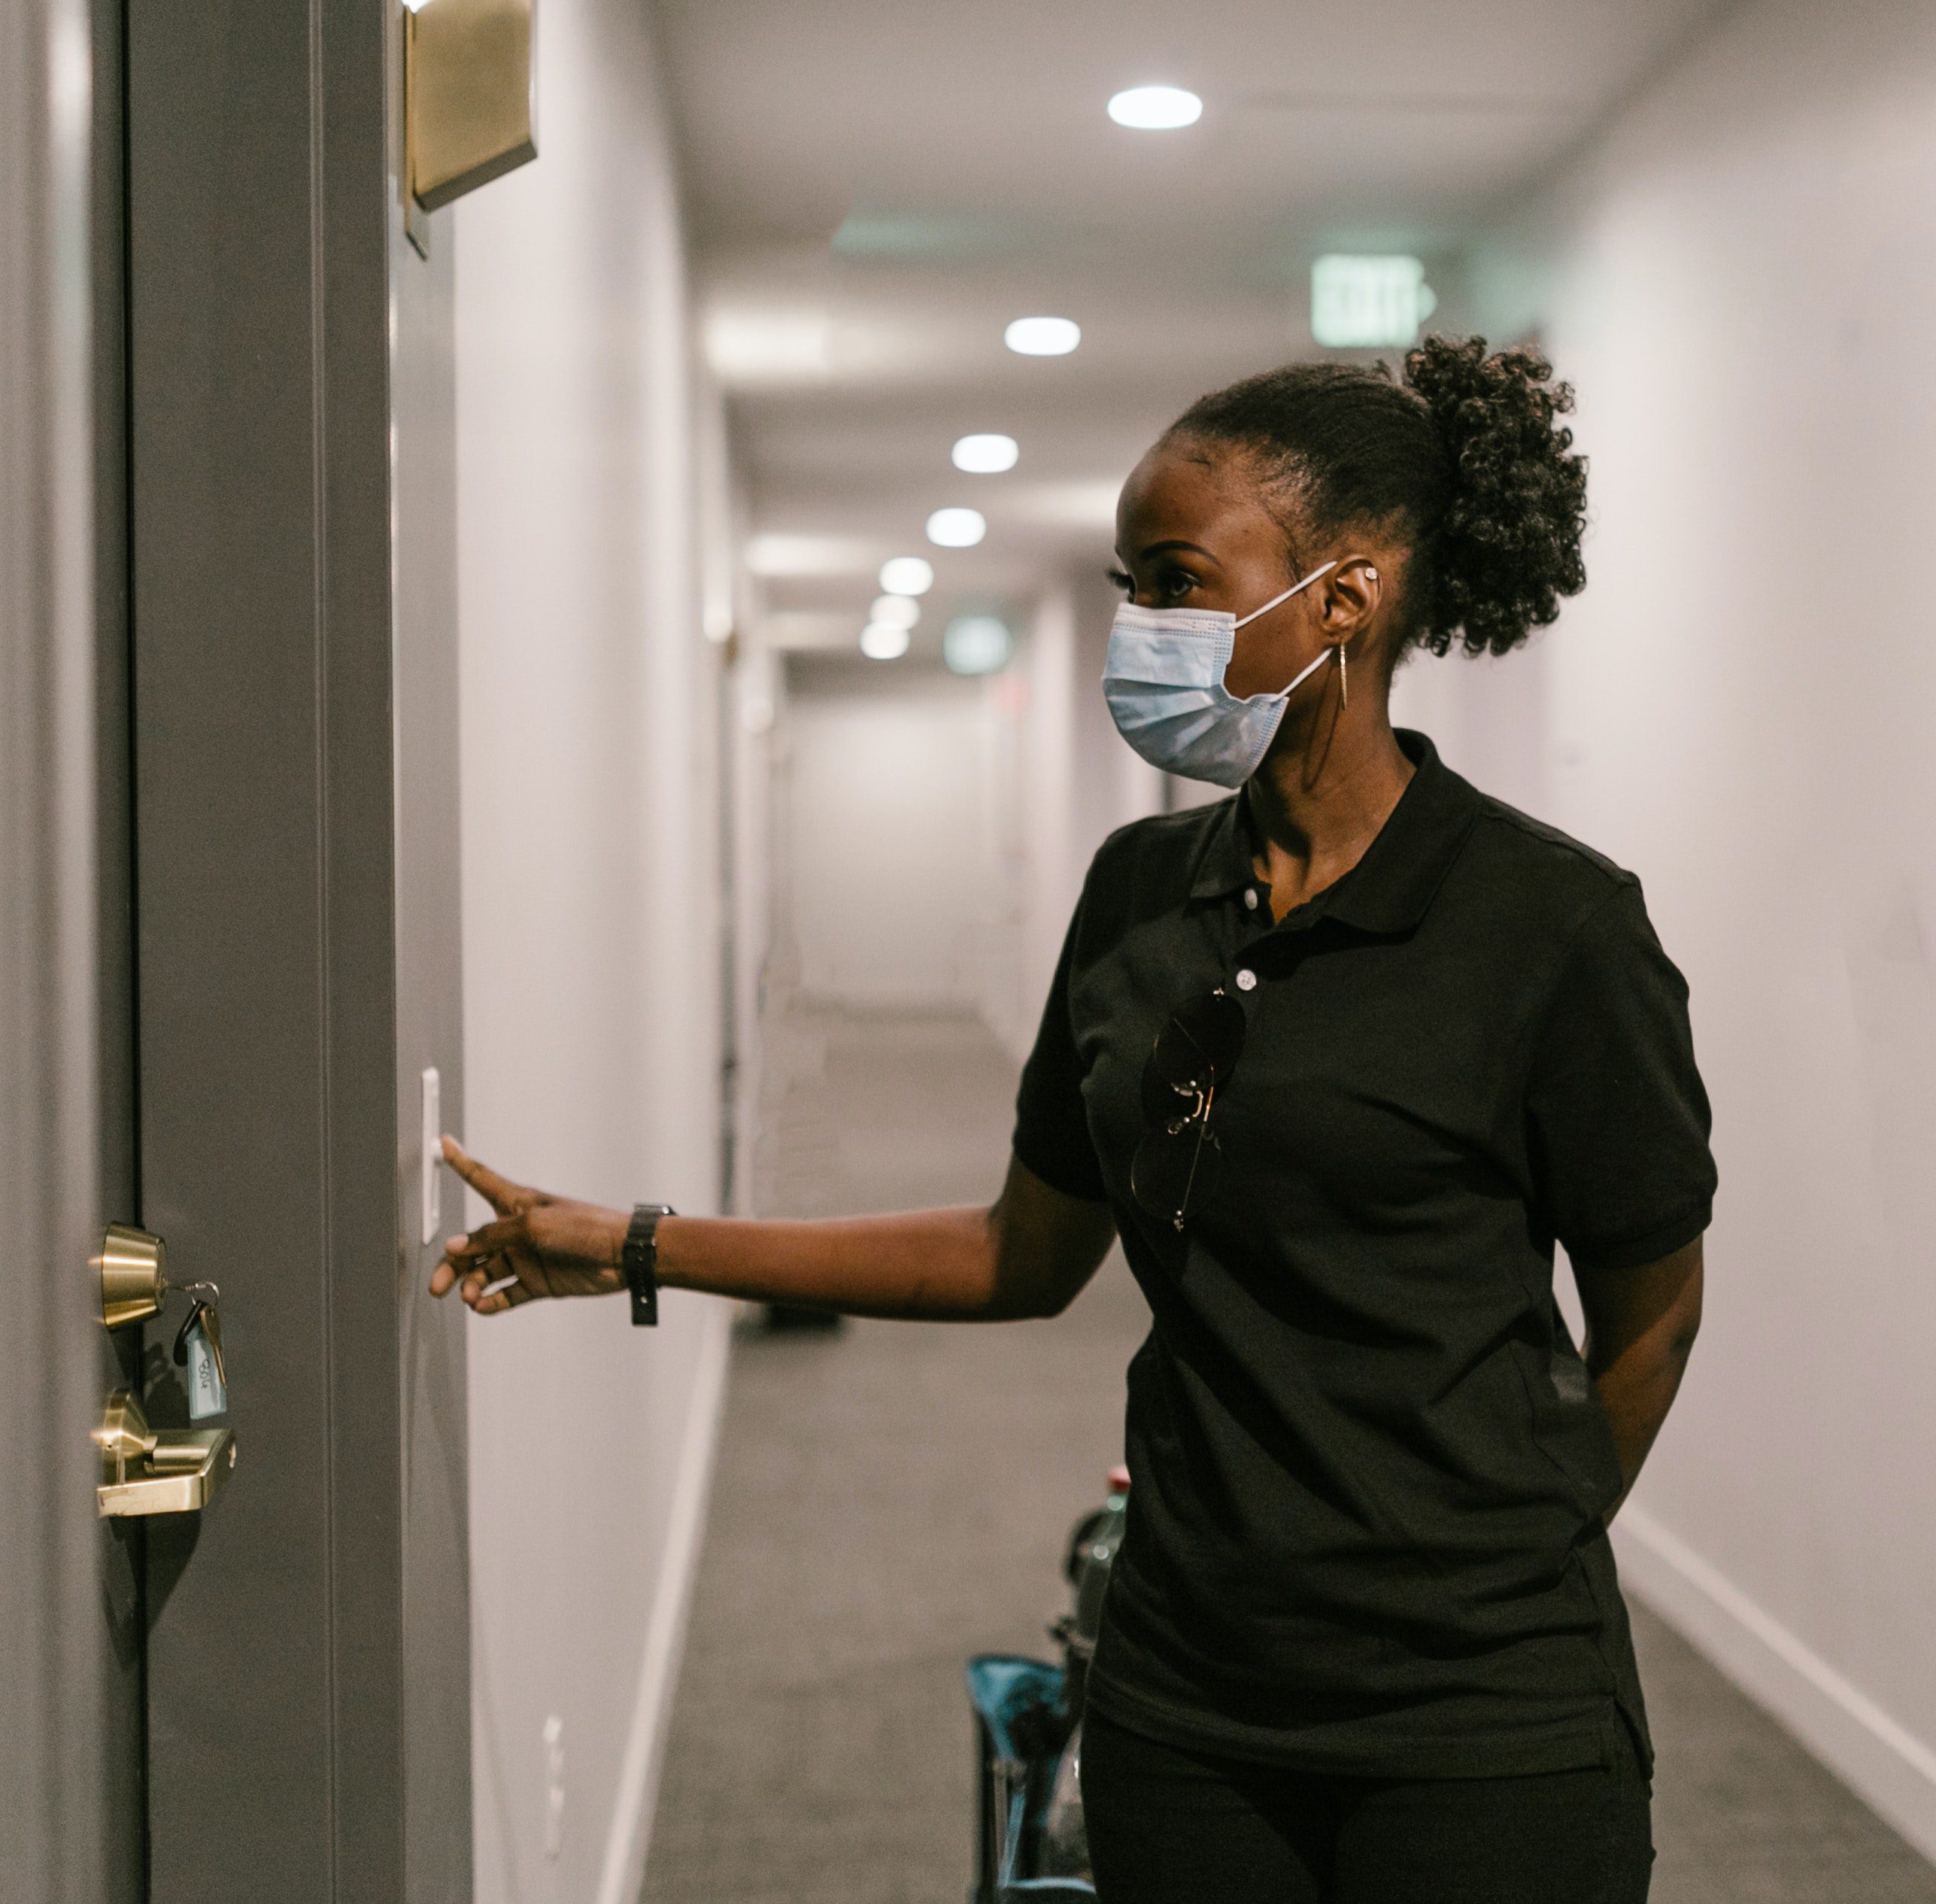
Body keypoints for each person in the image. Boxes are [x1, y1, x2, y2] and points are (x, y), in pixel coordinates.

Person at [431, 334, 1713, 1904]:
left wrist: (1518, 1550)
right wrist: (636, 1243)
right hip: (1190, 1686)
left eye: (1177, 581)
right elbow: (1017, 1252)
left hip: (1478, 1717)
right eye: (1130, 584)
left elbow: (1650, 1313)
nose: (1143, 628)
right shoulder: (1139, 899)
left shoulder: (1550, 927)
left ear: (1347, 597)